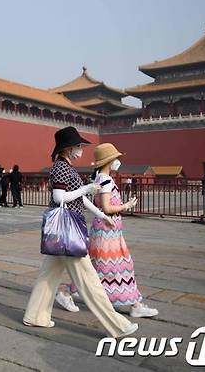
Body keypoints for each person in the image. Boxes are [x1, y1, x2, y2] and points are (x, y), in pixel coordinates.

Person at [23, 126, 138, 338]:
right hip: (68, 231)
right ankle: (117, 325)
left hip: (63, 232)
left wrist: (101, 215)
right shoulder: (60, 168)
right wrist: (86, 189)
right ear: (67, 148)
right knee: (89, 280)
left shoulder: (66, 166)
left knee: (48, 276)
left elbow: (80, 198)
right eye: (78, 146)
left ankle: (35, 316)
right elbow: (59, 198)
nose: (81, 150)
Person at [55, 143, 157, 318]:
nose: (118, 161)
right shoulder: (106, 180)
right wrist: (127, 205)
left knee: (96, 268)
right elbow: (107, 208)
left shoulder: (100, 178)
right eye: (116, 158)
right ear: (110, 160)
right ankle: (135, 304)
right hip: (107, 232)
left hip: (105, 231)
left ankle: (66, 293)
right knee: (119, 267)